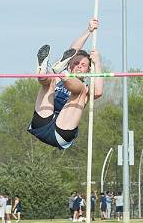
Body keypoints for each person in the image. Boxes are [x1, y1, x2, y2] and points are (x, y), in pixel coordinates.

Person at [28, 18, 103, 150]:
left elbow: (98, 92)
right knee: (50, 79)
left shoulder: (87, 91)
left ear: (88, 70)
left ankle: (62, 75)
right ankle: (42, 72)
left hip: (61, 132)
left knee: (81, 91)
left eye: (83, 65)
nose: (79, 66)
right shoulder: (57, 78)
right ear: (69, 65)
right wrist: (88, 31)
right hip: (42, 122)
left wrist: (97, 63)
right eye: (75, 63)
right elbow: (73, 49)